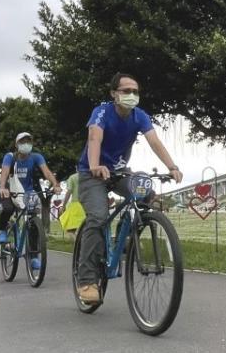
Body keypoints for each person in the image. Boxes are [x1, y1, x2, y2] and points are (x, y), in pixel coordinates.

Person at [75, 73, 183, 304]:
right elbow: (94, 137)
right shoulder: (102, 112)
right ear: (114, 93)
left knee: (147, 195)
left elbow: (154, 141)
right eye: (126, 91)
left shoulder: (139, 116)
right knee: (98, 217)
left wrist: (172, 167)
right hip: (91, 173)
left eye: (135, 91)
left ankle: (125, 239)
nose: (131, 95)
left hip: (119, 172)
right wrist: (95, 165)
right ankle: (87, 280)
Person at [0, 133, 62, 269]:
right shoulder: (10, 157)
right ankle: (2, 230)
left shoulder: (36, 157)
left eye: (28, 141)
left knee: (32, 223)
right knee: (8, 209)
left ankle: (33, 257)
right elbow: (4, 172)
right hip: (11, 192)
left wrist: (55, 184)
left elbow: (47, 172)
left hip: (28, 193)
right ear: (16, 144)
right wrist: (3, 187)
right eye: (22, 141)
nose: (26, 144)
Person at [58, 172, 85, 236]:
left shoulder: (72, 177)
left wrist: (63, 205)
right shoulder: (89, 176)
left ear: (76, 167)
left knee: (70, 230)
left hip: (76, 205)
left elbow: (69, 191)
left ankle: (77, 244)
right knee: (85, 229)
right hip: (87, 205)